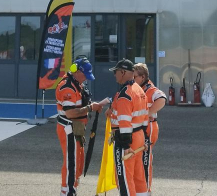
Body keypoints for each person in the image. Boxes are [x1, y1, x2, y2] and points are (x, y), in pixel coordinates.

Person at [56, 56, 108, 196]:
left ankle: (72, 188)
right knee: (71, 162)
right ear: (77, 71)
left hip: (76, 128)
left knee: (78, 160)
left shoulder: (76, 84)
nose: (86, 78)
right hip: (69, 128)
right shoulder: (67, 87)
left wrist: (93, 106)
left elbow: (80, 104)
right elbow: (70, 113)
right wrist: (91, 108)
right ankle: (67, 192)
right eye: (84, 75)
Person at [108, 59, 148, 196]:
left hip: (126, 139)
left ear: (123, 72)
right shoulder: (139, 90)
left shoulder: (125, 94)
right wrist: (145, 138)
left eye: (116, 72)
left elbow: (124, 123)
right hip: (139, 136)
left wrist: (125, 146)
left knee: (125, 177)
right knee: (138, 176)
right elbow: (145, 117)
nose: (115, 75)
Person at [133, 63, 166, 194]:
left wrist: (148, 113)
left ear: (143, 77)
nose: (132, 79)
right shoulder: (137, 88)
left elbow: (162, 99)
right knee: (139, 160)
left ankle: (146, 191)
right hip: (140, 128)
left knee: (145, 161)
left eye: (135, 76)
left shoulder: (150, 89)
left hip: (149, 128)